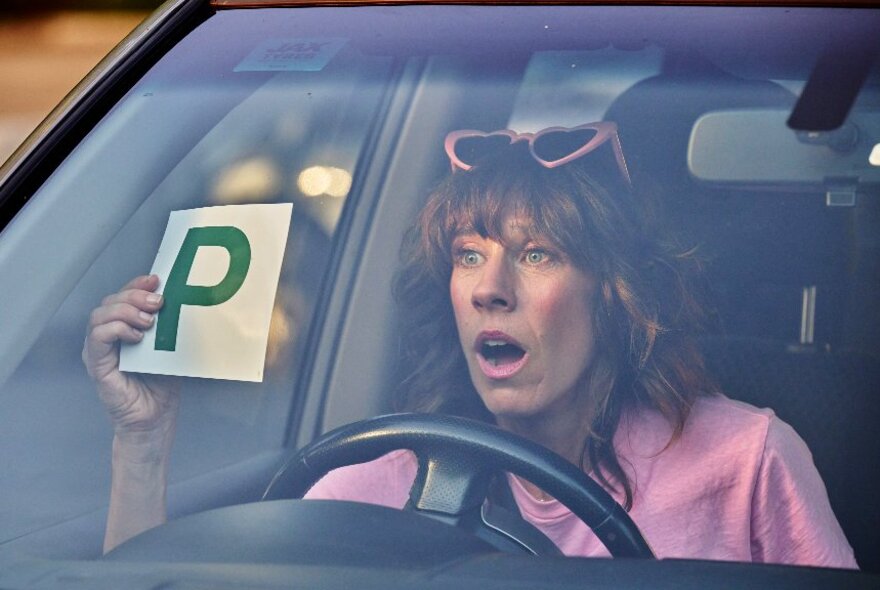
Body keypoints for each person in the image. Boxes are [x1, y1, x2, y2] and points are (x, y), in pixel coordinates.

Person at [83, 122, 857, 567]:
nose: (490, 287)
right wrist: (142, 443)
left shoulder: (747, 463)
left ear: (613, 291)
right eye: (468, 253)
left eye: (536, 253)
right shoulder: (380, 484)